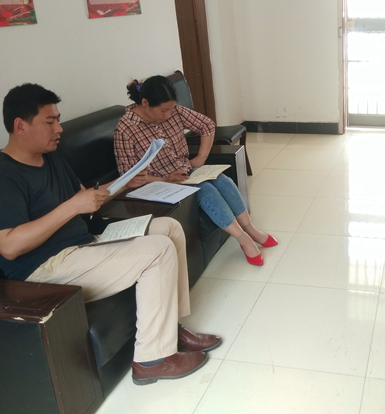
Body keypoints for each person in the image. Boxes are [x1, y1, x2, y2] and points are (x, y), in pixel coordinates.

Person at [0, 84, 221, 385]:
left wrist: (125, 183)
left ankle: (171, 329)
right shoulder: (5, 174)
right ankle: (152, 359)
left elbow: (86, 197)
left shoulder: (51, 157)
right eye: (49, 122)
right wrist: (71, 207)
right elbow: (9, 246)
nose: (59, 129)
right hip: (45, 269)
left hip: (83, 244)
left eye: (58, 120)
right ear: (20, 126)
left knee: (168, 228)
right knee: (158, 249)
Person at [113, 76, 276, 266]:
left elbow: (207, 125)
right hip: (156, 184)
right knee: (206, 191)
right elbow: (130, 176)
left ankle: (251, 229)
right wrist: (165, 179)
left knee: (223, 181)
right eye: (164, 110)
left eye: (171, 109)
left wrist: (200, 158)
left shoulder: (173, 111)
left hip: (185, 172)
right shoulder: (126, 129)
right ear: (145, 103)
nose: (168, 115)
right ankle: (243, 240)